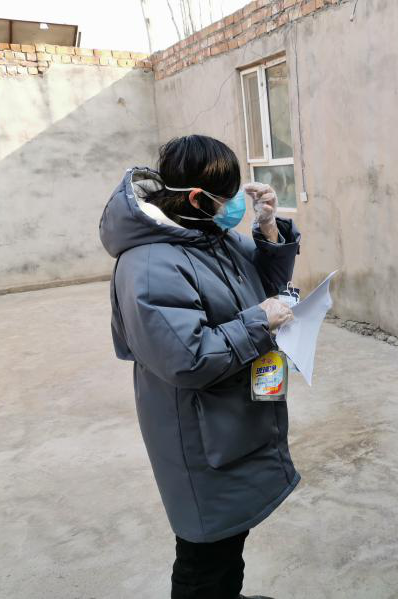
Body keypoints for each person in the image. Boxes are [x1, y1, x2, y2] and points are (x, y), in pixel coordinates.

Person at [99, 135, 301, 599]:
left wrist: (268, 229)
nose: (234, 207)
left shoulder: (208, 236)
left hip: (231, 418)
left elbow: (266, 283)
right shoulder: (151, 263)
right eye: (227, 198)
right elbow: (186, 359)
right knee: (204, 555)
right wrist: (258, 321)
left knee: (228, 541)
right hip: (198, 432)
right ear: (195, 198)